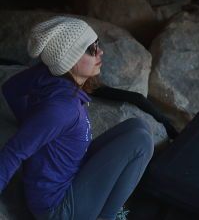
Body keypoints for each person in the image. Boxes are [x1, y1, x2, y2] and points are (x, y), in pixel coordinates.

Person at [0, 16, 154, 220]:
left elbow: (10, 89)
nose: (100, 52)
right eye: (91, 49)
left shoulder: (47, 74)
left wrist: (32, 125)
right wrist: (34, 129)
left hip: (73, 172)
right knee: (141, 142)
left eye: (97, 44)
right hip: (60, 207)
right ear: (69, 60)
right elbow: (13, 153)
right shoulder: (62, 109)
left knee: (137, 126)